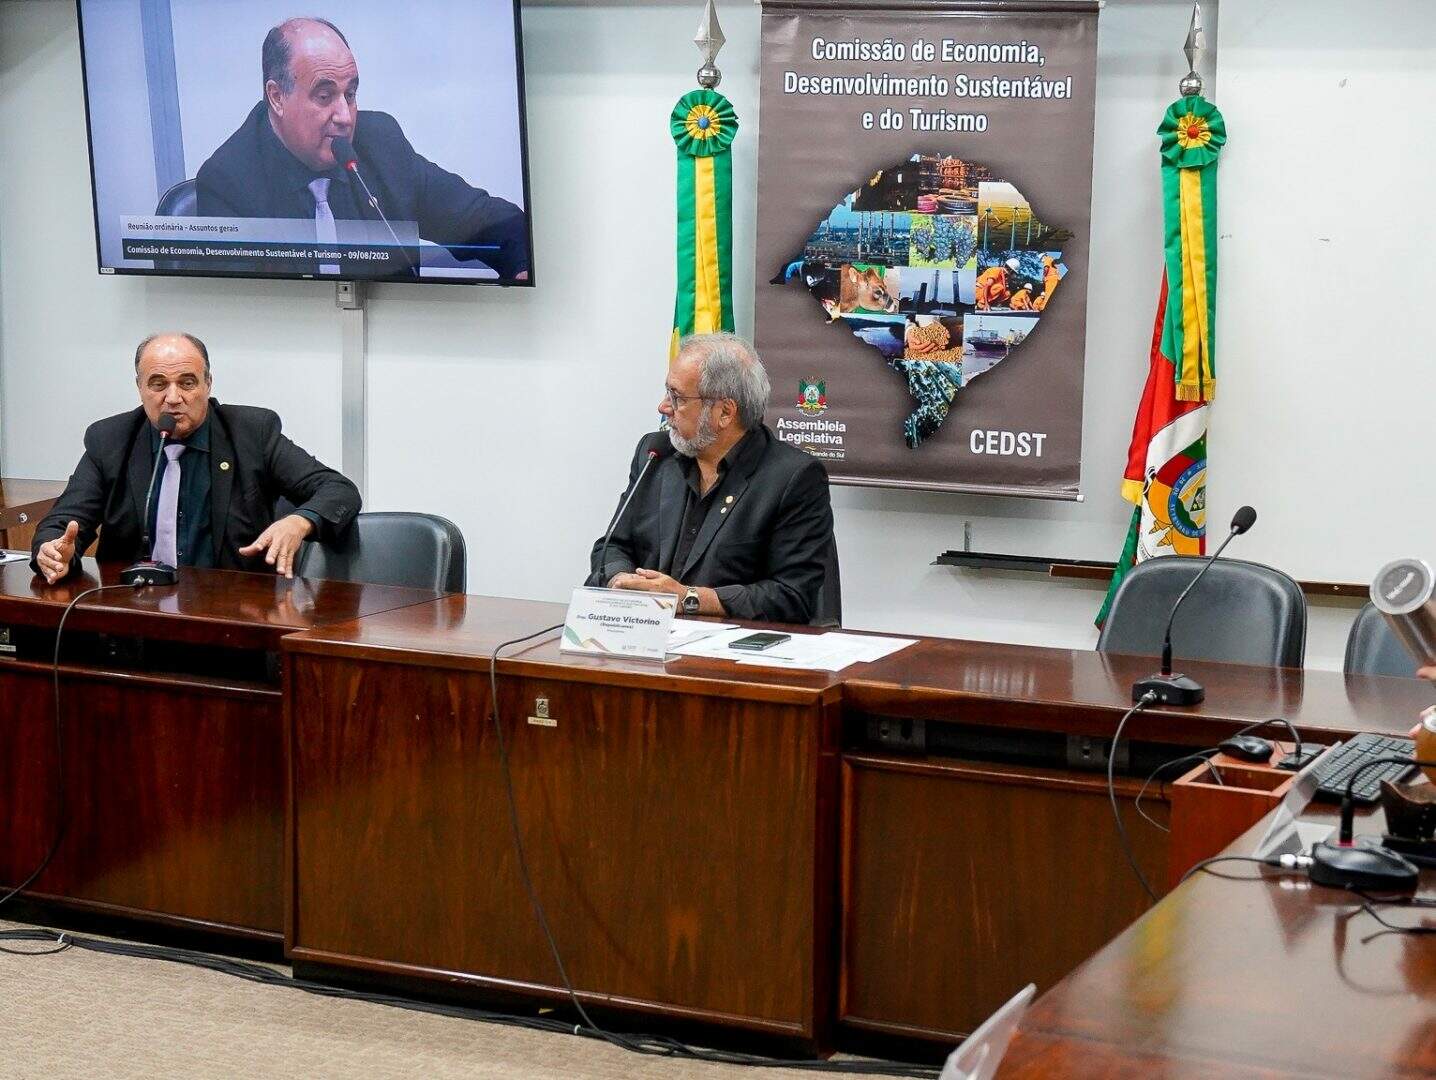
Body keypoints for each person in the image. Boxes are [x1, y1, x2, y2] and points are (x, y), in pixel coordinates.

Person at [196, 17, 528, 279]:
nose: (344, 116)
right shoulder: (228, 180)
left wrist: (521, 264)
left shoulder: (380, 143)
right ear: (277, 97)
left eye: (350, 95)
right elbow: (241, 308)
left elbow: (481, 218)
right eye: (324, 96)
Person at [32, 332, 360, 583]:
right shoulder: (110, 440)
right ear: (139, 388)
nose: (173, 398)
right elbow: (62, 524)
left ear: (208, 384)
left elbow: (338, 490)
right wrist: (52, 552)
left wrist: (299, 521)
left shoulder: (251, 433)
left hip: (232, 616)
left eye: (187, 383)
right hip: (135, 614)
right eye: (158, 384)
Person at [587, 333, 834, 625]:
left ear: (725, 412)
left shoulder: (793, 477)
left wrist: (688, 598)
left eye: (677, 397)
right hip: (645, 635)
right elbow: (611, 546)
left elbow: (791, 595)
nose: (663, 407)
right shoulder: (655, 454)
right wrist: (622, 582)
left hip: (732, 646)